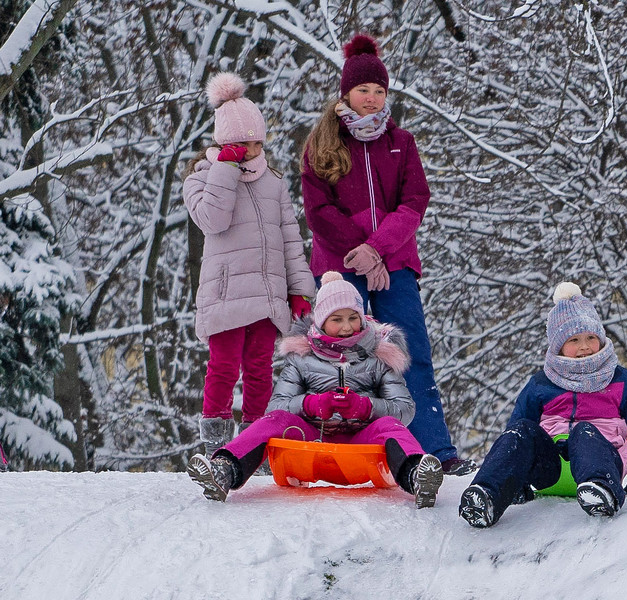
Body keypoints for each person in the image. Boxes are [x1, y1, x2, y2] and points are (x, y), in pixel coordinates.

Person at [300, 34, 474, 476]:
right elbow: (318, 211)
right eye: (364, 90)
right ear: (346, 93)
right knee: (339, 356)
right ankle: (335, 445)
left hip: (394, 263)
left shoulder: (402, 142)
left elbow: (414, 201)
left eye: (380, 91)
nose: (373, 99)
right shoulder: (320, 144)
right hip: (341, 269)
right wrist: (360, 254)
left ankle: (434, 450)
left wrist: (377, 250)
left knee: (409, 350)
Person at [186, 272, 444, 507]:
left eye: (353, 318)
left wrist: (365, 408)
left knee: (390, 425)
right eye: (337, 319)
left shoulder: (379, 357)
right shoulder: (301, 357)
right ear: (321, 321)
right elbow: (278, 405)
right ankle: (225, 470)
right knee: (274, 420)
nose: (346, 327)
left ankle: (416, 476)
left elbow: (405, 410)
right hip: (311, 438)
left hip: (363, 442)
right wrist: (310, 404)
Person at [183, 72, 316, 456]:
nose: (252, 150)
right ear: (225, 142)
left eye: (256, 142)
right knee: (223, 367)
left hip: (267, 294)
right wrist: (226, 168)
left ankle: (255, 443)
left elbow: (289, 237)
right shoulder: (202, 178)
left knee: (259, 369)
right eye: (242, 143)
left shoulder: (272, 182)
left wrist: (299, 290)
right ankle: (216, 446)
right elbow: (213, 219)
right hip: (225, 294)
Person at [458, 282, 627, 527]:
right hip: (551, 472)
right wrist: (519, 482)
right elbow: (515, 437)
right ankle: (487, 496)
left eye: (591, 337)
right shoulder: (542, 384)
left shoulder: (619, 381)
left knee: (583, 430)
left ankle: (601, 492)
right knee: (521, 428)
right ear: (558, 345)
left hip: (601, 464)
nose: (584, 346)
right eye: (574, 339)